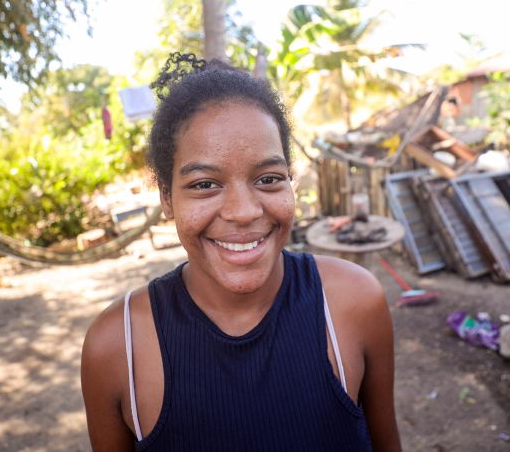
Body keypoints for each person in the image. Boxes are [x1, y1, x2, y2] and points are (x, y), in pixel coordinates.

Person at [81, 53, 402, 451]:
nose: (244, 211)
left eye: (268, 179)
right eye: (204, 184)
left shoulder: (352, 302)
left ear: (290, 182)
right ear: (166, 197)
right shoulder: (117, 345)